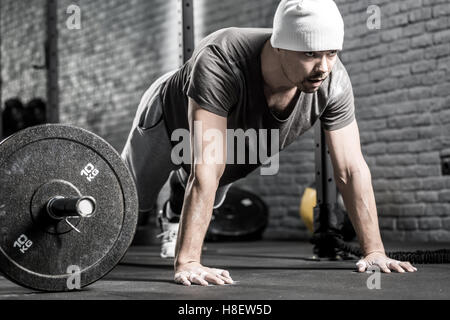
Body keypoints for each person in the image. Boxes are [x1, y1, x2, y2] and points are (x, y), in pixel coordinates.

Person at [121, 0, 417, 286]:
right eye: (310, 54)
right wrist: (188, 263)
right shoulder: (221, 58)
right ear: (279, 45)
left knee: (210, 183)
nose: (323, 67)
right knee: (127, 203)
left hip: (234, 137)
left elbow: (351, 169)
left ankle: (174, 204)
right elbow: (208, 164)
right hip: (168, 119)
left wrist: (374, 251)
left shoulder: (333, 82)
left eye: (331, 53)